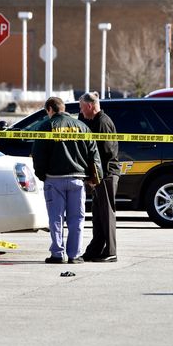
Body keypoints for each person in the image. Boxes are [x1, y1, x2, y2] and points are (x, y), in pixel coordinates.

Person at [32, 96, 102, 264]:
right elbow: (93, 154)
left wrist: (42, 175)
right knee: (77, 219)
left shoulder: (46, 126)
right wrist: (95, 176)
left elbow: (38, 155)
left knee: (56, 218)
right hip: (78, 180)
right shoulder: (82, 127)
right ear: (63, 108)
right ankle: (74, 255)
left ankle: (57, 254)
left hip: (54, 180)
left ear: (50, 109)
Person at [79, 91, 120, 262]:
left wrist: (95, 176)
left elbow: (106, 152)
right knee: (98, 214)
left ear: (90, 105)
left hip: (106, 174)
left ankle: (110, 252)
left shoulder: (102, 122)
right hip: (99, 175)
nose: (80, 111)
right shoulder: (95, 122)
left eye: (81, 107)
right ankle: (95, 250)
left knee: (107, 213)